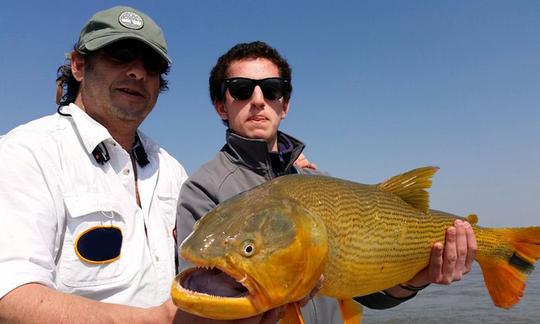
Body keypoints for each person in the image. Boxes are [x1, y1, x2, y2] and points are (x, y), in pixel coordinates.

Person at [0, 7, 305, 324]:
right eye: (120, 54)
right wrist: (160, 320)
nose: (138, 72)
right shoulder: (25, 154)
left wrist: (283, 170)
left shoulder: (170, 170)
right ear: (78, 65)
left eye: (152, 64)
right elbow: (9, 297)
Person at [176, 41, 478, 323]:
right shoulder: (203, 189)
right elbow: (200, 303)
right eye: (241, 89)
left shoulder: (318, 181)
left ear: (284, 105)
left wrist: (415, 280)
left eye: (271, 90)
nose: (258, 101)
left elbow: (367, 292)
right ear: (220, 106)